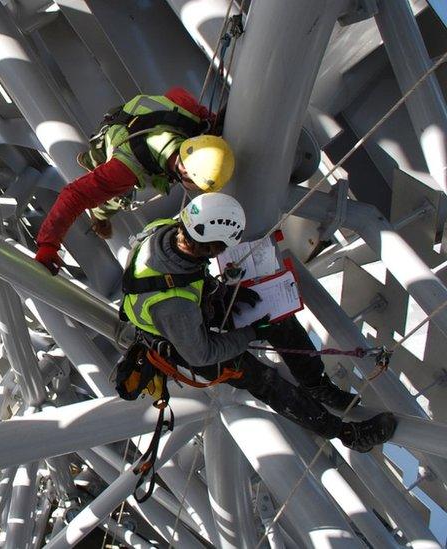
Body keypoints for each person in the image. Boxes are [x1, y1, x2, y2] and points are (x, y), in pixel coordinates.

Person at [119, 193, 396, 452]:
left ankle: (316, 384)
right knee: (263, 380)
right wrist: (250, 333)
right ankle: (349, 435)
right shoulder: (174, 305)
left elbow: (186, 274)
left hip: (190, 310)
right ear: (212, 247)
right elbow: (202, 353)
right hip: (181, 340)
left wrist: (224, 294)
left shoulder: (163, 230)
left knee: (277, 319)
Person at [34, 87, 233, 275]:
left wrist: (210, 119)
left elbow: (176, 93)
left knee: (109, 186)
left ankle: (95, 166)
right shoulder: (128, 168)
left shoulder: (188, 114)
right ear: (186, 174)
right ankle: (96, 179)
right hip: (120, 141)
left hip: (136, 119)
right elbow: (76, 194)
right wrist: (48, 244)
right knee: (114, 197)